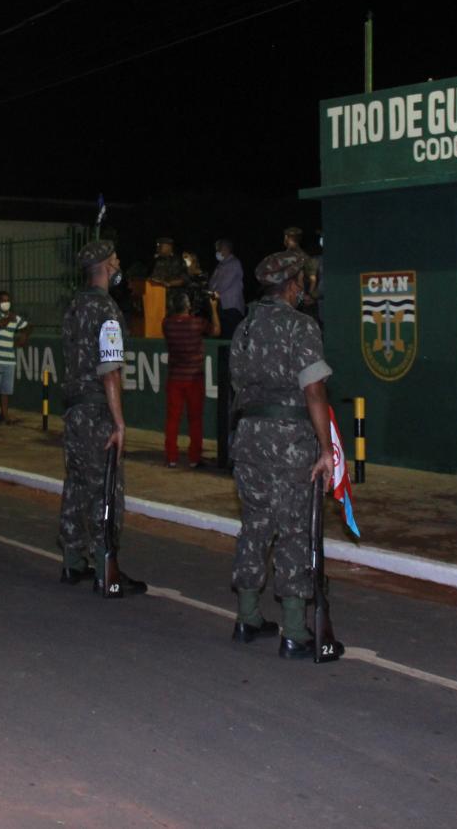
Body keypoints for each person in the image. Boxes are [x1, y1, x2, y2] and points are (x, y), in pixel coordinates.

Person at [227, 249, 332, 656]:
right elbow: (314, 389)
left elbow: (238, 386)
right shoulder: (300, 326)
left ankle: (247, 616)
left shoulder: (245, 330)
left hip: (249, 436)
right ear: (292, 285)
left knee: (254, 523)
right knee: (293, 528)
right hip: (289, 440)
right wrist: (325, 448)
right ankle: (294, 629)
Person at [58, 239, 146, 593]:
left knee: (77, 485)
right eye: (115, 258)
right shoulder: (106, 310)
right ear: (107, 266)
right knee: (105, 489)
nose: (119, 262)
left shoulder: (74, 307)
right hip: (96, 409)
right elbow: (110, 370)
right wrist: (119, 423)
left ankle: (72, 560)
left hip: (74, 408)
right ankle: (104, 567)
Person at [163, 287, 220, 468]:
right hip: (194, 378)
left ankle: (171, 456)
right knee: (195, 419)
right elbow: (216, 330)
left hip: (175, 377)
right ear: (188, 306)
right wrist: (213, 308)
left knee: (173, 418)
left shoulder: (167, 324)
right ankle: (194, 457)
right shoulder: (196, 323)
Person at [0, 290, 30, 424]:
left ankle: (5, 416)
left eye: (8, 300)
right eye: (3, 300)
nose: (6, 303)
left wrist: (24, 336)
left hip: (9, 360)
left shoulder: (13, 317)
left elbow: (28, 326)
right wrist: (10, 318)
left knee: (6, 391)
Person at [209, 239, 246, 336]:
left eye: (218, 249)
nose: (217, 252)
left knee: (230, 339)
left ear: (225, 249)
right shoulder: (220, 266)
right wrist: (212, 290)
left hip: (232, 308)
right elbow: (211, 283)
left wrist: (213, 290)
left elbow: (223, 284)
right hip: (221, 307)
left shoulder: (234, 263)